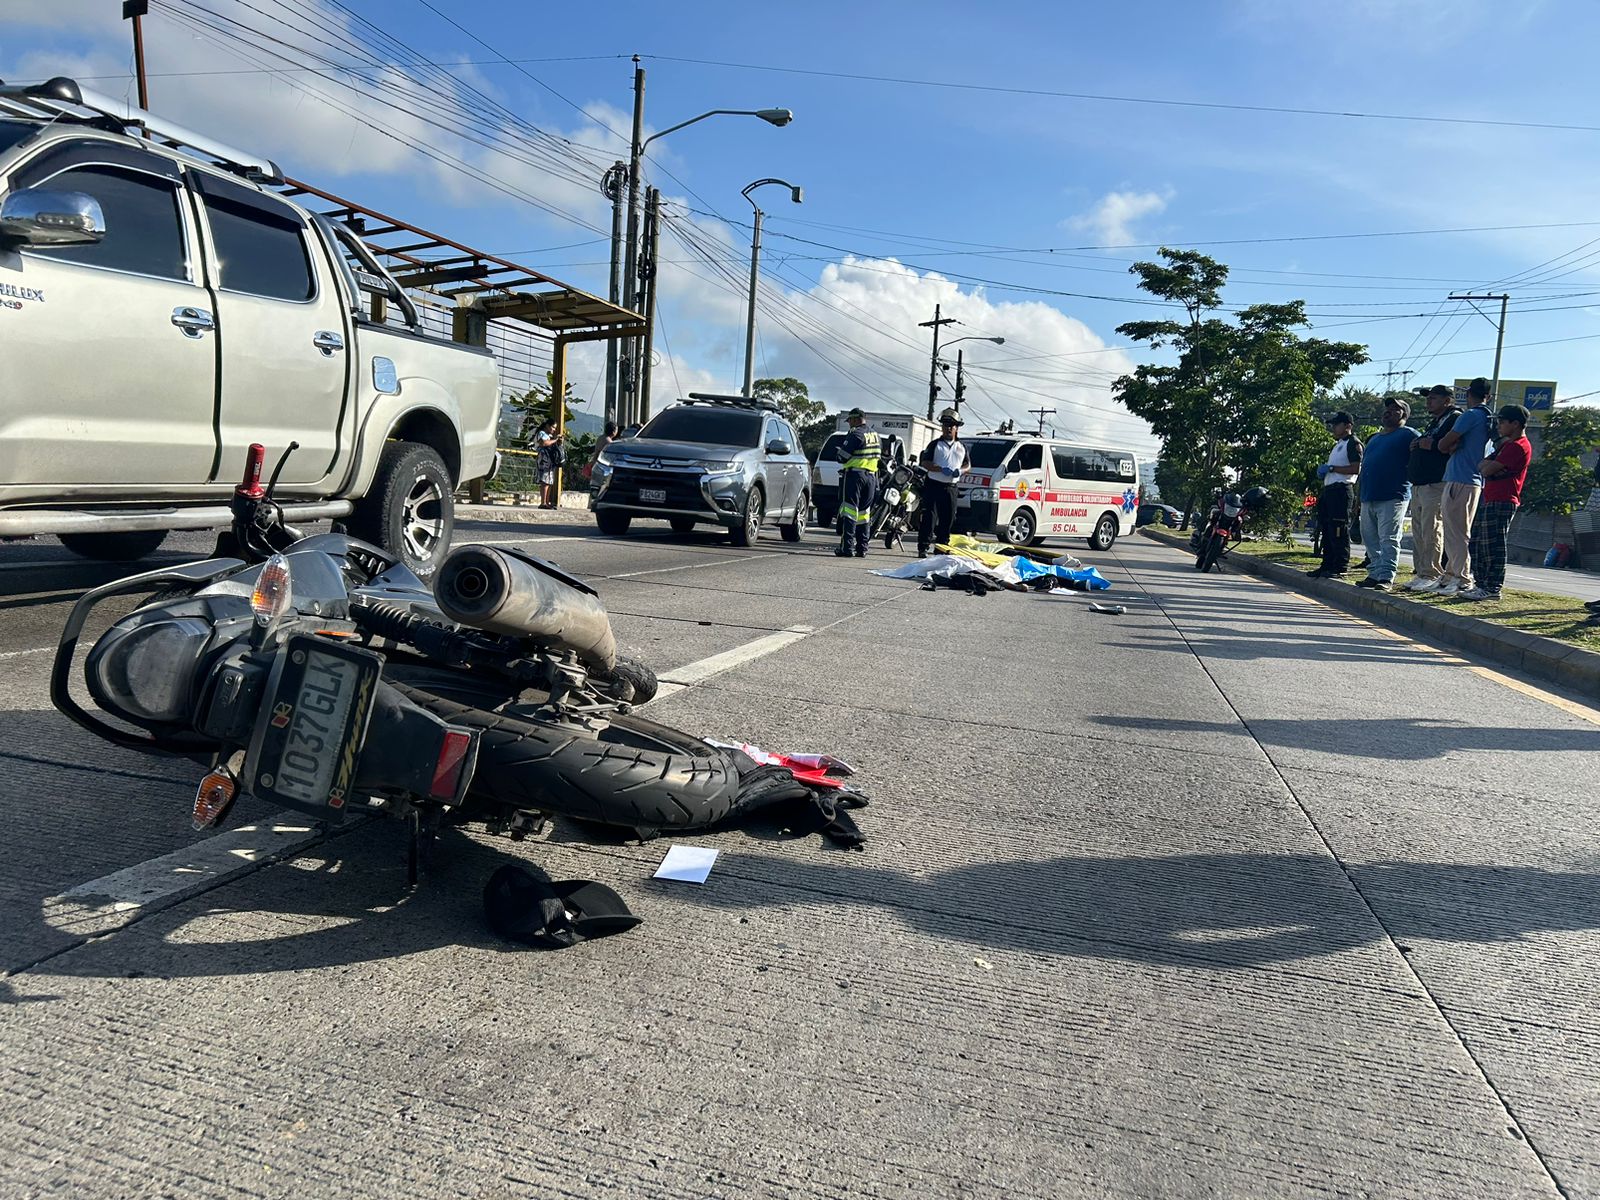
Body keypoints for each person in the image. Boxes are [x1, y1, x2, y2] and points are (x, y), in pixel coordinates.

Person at [1460, 405, 1532, 601]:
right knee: (1477, 542)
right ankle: (1481, 583)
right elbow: (1483, 465)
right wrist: (1490, 466)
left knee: (1493, 545)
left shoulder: (1518, 446)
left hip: (1503, 500)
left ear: (1515, 423)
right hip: (1490, 497)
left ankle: (1492, 587)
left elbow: (1487, 469)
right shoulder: (1506, 445)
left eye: (1502, 421)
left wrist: (1491, 467)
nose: (1498, 425)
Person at [1432, 376, 1494, 596]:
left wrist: (1448, 445)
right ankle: (1450, 574)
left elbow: (1444, 443)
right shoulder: (1489, 417)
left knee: (1457, 531)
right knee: (1453, 529)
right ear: (1489, 395)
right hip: (1470, 478)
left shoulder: (1472, 415)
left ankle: (1462, 577)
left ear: (1469, 394)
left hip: (1462, 478)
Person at [1356, 396, 1419, 591]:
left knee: (1389, 538)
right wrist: (1358, 498)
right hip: (1369, 495)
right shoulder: (1374, 439)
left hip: (1393, 495)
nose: (1388, 411)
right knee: (1370, 538)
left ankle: (1386, 576)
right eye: (1387, 408)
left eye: (1395, 409)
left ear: (1404, 415)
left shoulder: (1409, 434)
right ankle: (1374, 572)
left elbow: (1418, 459)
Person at [1404, 384, 1462, 592]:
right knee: (1419, 530)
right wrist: (1419, 443)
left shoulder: (1454, 418)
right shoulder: (1435, 421)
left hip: (1436, 481)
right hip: (1420, 482)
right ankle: (1421, 572)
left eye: (1434, 398)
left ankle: (1432, 573)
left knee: (1432, 528)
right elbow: (1425, 442)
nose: (1429, 401)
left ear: (1447, 400)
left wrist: (1429, 443)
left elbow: (1444, 445)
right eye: (1428, 398)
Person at [1307, 411, 1362, 578]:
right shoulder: (1338, 444)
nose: (1333, 428)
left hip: (1341, 490)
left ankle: (1340, 565)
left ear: (1348, 426)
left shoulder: (1353, 443)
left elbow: (1356, 468)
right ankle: (1327, 564)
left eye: (1337, 424)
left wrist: (1332, 469)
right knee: (1327, 528)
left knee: (1339, 529)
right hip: (1330, 490)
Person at [918, 408, 967, 557]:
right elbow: (925, 462)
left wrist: (962, 471)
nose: (948, 428)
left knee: (948, 518)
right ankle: (923, 547)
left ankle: (942, 547)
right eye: (946, 425)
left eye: (951, 426)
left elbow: (968, 464)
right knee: (929, 517)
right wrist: (939, 469)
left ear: (956, 428)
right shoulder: (935, 445)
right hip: (934, 484)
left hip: (951, 487)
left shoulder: (961, 447)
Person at [834, 408, 881, 558]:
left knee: (849, 511)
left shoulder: (855, 434)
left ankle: (846, 548)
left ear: (855, 419)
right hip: (871, 477)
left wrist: (840, 451)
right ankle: (862, 548)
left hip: (855, 475)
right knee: (864, 514)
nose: (849, 424)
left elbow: (842, 457)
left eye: (850, 421)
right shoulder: (875, 435)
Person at [534, 419, 560, 509]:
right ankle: (543, 502)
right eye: (552, 427)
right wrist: (555, 440)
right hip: (543, 459)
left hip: (549, 460)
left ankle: (547, 501)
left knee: (549, 481)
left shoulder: (549, 436)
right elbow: (544, 443)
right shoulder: (541, 433)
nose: (553, 429)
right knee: (545, 481)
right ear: (547, 426)